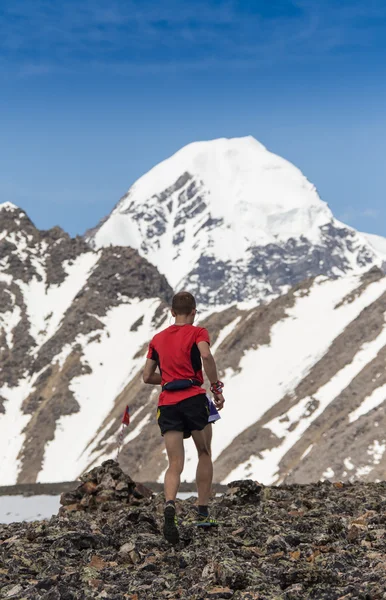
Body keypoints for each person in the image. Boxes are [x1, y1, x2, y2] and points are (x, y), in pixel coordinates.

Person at [142, 291, 225, 544]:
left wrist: (167, 378)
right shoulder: (198, 332)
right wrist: (216, 386)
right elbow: (206, 356)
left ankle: (169, 505)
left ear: (171, 312)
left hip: (167, 403)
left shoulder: (157, 339)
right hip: (192, 398)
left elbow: (147, 377)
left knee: (175, 463)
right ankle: (202, 512)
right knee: (203, 453)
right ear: (194, 312)